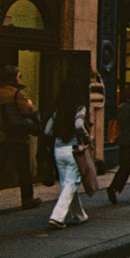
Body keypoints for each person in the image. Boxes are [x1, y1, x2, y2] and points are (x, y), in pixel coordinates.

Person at [44, 80, 91, 229]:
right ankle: (57, 217)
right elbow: (78, 125)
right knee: (71, 183)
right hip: (73, 149)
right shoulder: (79, 108)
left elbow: (47, 131)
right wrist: (87, 136)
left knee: (67, 183)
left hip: (58, 150)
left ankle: (79, 215)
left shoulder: (58, 110)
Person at [0, 65, 42, 210]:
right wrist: (30, 105)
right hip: (17, 137)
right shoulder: (17, 93)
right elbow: (27, 111)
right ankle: (27, 199)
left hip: (1, 137)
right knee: (23, 169)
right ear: (14, 77)